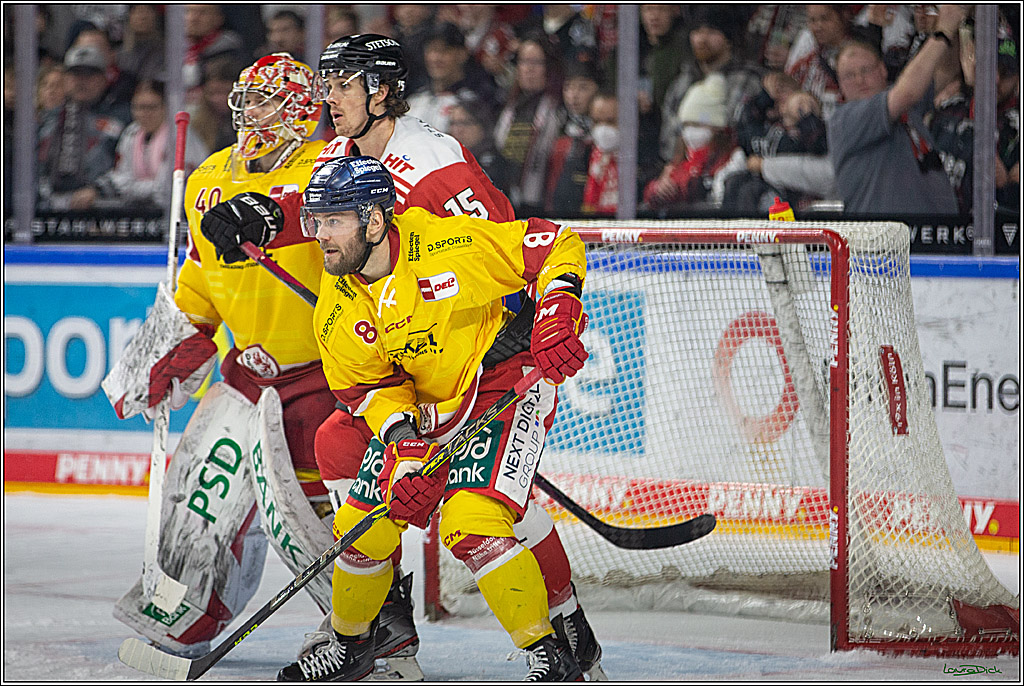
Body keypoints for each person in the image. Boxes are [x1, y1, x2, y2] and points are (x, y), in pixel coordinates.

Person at [262, 32, 604, 679]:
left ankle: (560, 628)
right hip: (415, 371)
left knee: (480, 511)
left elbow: (512, 247)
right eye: (327, 84)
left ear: (383, 90)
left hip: (491, 364)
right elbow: (299, 200)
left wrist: (543, 317)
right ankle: (379, 625)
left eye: (343, 84)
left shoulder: (432, 161)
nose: (328, 97)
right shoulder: (343, 161)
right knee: (345, 451)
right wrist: (256, 213)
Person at [105, 53, 338, 660]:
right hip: (247, 371)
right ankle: (185, 611)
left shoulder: (331, 171)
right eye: (248, 99)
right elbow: (203, 276)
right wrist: (171, 347)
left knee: (311, 522)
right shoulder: (210, 178)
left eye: (266, 101)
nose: (250, 112)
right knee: (197, 493)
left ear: (299, 112)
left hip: (323, 377)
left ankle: (365, 628)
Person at [826, 5, 963, 215]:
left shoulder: (902, 104)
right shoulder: (844, 119)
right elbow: (906, 93)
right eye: (849, 76)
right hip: (880, 244)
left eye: (866, 70)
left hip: (932, 235)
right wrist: (942, 31)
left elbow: (945, 72)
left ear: (882, 70)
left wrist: (946, 28)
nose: (860, 80)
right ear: (840, 84)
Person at [36, 45, 126, 212]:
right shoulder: (47, 119)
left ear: (103, 78)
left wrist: (97, 190)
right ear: (66, 79)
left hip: (102, 208)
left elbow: (128, 169)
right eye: (75, 74)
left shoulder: (121, 119)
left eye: (89, 75)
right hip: (48, 208)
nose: (81, 81)